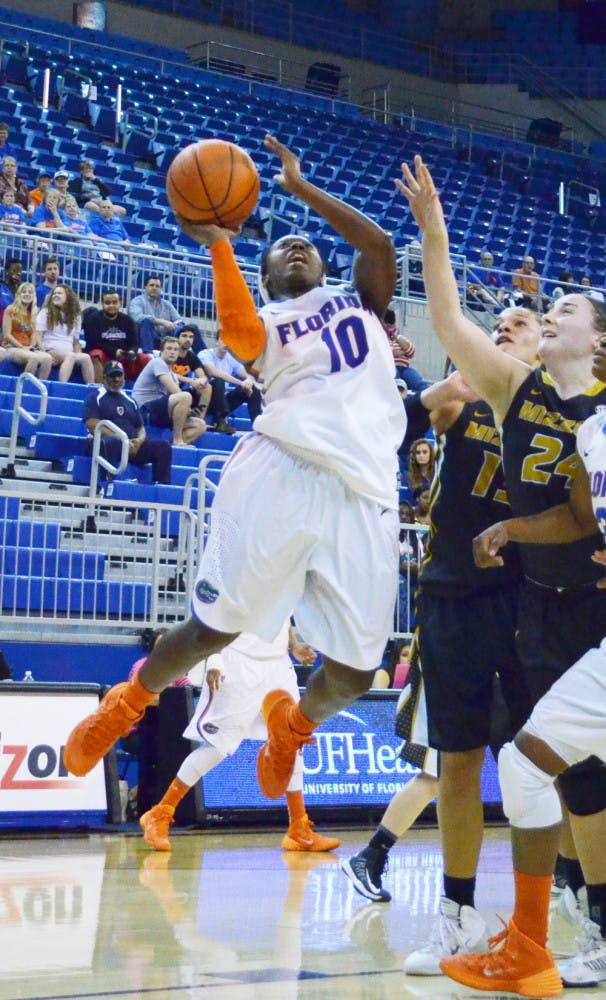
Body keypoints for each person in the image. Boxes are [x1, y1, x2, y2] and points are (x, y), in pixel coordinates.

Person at [63, 134, 404, 810]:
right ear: (269, 274)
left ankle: (292, 730)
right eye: (282, 248)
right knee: (214, 629)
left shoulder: (360, 300)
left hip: (366, 494)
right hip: (282, 473)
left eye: (306, 243)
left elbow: (382, 249)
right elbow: (244, 336)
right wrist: (221, 241)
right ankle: (127, 703)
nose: (298, 246)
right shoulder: (264, 318)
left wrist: (301, 190)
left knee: (357, 672)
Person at [398, 153, 606, 983]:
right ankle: (519, 929)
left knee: (559, 767)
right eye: (537, 309)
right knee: (542, 766)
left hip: (578, 602)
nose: (543, 314)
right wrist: (435, 229)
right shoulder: (515, 388)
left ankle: (556, 931)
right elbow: (447, 321)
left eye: (561, 308)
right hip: (519, 599)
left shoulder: (599, 413)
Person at [442, 339, 606, 995]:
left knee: (535, 766)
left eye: (567, 311)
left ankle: (536, 947)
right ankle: (533, 948)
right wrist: (513, 531)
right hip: (543, 613)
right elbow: (575, 517)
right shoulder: (585, 430)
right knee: (532, 763)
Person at [139, 622, 340, 854]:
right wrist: (213, 659)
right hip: (237, 662)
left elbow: (285, 611)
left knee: (291, 741)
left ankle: (298, 828)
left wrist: (293, 645)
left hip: (277, 666)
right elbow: (216, 613)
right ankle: (160, 813)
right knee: (216, 748)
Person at [83, 360, 172, 484]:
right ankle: (107, 484)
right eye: (112, 376)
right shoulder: (94, 397)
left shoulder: (130, 400)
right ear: (104, 377)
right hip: (107, 444)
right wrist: (122, 439)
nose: (117, 379)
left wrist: (139, 441)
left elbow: (140, 427)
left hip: (130, 446)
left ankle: (161, 488)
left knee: (163, 447)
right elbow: (93, 425)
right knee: (109, 442)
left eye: (119, 375)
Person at [131, 335, 206, 447]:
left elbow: (174, 399)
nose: (173, 352)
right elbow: (175, 391)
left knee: (200, 425)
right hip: (143, 410)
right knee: (185, 396)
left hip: (159, 411)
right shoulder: (157, 362)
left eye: (176, 349)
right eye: (169, 349)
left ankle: (170, 446)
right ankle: (178, 439)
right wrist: (188, 406)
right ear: (161, 351)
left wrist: (188, 412)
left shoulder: (172, 374)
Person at [82, 289, 152, 382]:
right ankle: (100, 386)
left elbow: (135, 342)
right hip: (104, 356)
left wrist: (131, 352)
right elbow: (92, 343)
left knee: (146, 358)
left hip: (125, 357)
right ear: (102, 304)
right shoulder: (93, 319)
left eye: (114, 302)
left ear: (120, 303)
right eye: (108, 303)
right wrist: (114, 351)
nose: (111, 306)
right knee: (95, 354)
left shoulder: (128, 320)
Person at [198, 334, 263, 433]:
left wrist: (249, 381)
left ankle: (258, 426)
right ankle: (220, 422)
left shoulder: (230, 359)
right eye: (223, 340)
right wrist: (240, 383)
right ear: (217, 341)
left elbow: (247, 374)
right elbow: (213, 372)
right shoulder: (205, 354)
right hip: (204, 400)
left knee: (253, 387)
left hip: (222, 402)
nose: (226, 343)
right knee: (218, 381)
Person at [36, 283, 94, 384]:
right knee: (70, 356)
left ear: (68, 297)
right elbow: (37, 337)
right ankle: (62, 385)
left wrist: (79, 356)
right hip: (50, 350)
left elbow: (76, 343)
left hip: (68, 352)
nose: (55, 295)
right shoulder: (46, 312)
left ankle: (91, 387)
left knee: (86, 357)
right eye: (54, 293)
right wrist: (44, 353)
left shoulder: (76, 316)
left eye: (59, 293)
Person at [2, 281, 52, 379]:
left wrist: (31, 347)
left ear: (34, 296)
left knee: (48, 358)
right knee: (33, 358)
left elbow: (34, 335)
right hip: (11, 347)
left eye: (30, 292)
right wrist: (22, 347)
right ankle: (23, 388)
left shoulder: (33, 313)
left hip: (27, 348)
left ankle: (38, 389)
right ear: (18, 295)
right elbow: (7, 335)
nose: (27, 294)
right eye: (24, 292)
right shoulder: (10, 309)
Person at [128, 274, 186, 353]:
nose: (154, 288)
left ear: (161, 289)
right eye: (151, 285)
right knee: (146, 322)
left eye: (157, 286)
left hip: (165, 338)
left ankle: (201, 356)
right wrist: (162, 322)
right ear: (145, 287)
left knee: (191, 328)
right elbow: (136, 317)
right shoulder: (137, 301)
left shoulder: (167, 304)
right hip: (146, 337)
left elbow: (179, 320)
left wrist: (176, 325)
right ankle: (148, 354)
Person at [171, 325, 212, 416]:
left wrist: (202, 381)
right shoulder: (171, 353)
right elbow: (168, 374)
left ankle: (200, 419)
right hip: (168, 391)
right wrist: (191, 381)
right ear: (177, 338)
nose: (188, 339)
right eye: (184, 336)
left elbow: (203, 376)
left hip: (184, 392)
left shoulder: (192, 356)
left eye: (191, 337)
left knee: (207, 387)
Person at [0, 257, 24, 322]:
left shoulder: (23, 291)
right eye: (14, 270)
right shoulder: (1, 287)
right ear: (6, 271)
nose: (18, 273)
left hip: (17, 328)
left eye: (19, 271)